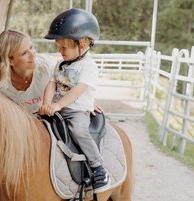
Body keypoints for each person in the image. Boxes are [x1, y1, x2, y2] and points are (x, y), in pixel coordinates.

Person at [38, 8, 110, 193]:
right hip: (57, 108)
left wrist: (58, 105)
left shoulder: (88, 67)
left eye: (64, 47)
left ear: (83, 44)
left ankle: (98, 166)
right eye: (58, 47)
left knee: (78, 131)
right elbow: (52, 84)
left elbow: (78, 91)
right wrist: (46, 104)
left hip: (76, 111)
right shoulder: (61, 64)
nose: (60, 51)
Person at [0, 29, 103, 115]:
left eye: (31, 47)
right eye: (25, 53)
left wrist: (86, 103)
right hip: (24, 122)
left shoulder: (48, 66)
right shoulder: (0, 79)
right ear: (10, 60)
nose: (33, 54)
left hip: (50, 115)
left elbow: (73, 84)